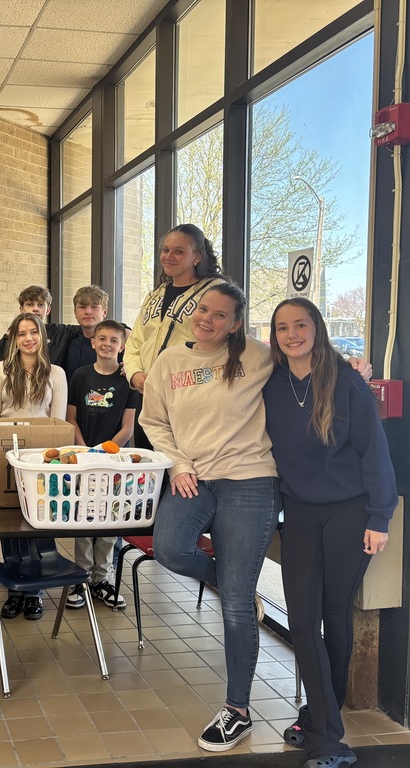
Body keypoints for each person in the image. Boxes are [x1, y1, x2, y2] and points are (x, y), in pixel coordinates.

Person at [139, 281, 279, 753]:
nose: (207, 318)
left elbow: (310, 363)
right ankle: (231, 584)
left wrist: (355, 368)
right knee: (171, 548)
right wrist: (177, 462)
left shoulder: (259, 356)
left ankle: (237, 710)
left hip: (250, 480)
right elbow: (152, 421)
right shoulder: (170, 362)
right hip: (193, 476)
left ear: (236, 322)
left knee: (236, 605)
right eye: (204, 309)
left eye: (220, 315)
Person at [264, 298, 396, 768]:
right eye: (282, 327)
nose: (292, 334)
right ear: (274, 335)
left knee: (334, 616)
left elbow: (374, 452)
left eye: (301, 325)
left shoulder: (345, 382)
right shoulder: (271, 383)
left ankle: (324, 729)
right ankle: (324, 727)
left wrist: (379, 518)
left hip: (350, 513)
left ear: (317, 329)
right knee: (302, 619)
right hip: (299, 513)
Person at [0, 312, 68, 621]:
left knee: (37, 521)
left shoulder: (56, 373)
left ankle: (34, 591)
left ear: (42, 336)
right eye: (21, 333)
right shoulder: (0, 370)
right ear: (14, 338)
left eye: (33, 332)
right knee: (9, 523)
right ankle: (14, 589)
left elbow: (57, 421)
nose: (28, 338)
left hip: (41, 458)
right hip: (8, 453)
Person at [124, 224, 224, 448]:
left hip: (187, 400)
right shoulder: (156, 294)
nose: (168, 257)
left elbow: (219, 346)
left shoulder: (215, 292)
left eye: (179, 251)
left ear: (197, 256)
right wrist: (136, 374)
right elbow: (136, 341)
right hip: (148, 395)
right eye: (165, 250)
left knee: (181, 472)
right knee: (147, 472)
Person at [64, 320, 139, 611]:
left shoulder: (128, 380)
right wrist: (86, 451)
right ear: (93, 342)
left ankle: (102, 580)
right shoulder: (80, 376)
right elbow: (71, 418)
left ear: (122, 346)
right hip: (84, 459)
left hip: (115, 461)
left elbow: (128, 428)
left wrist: (105, 453)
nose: (107, 344)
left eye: (114, 340)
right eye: (102, 339)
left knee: (110, 520)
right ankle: (80, 578)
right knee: (84, 518)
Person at [0, 286, 81, 367]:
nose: (35, 309)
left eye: (40, 305)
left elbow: (90, 329)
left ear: (48, 310)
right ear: (21, 309)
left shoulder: (61, 332)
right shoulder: (8, 340)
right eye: (30, 304)